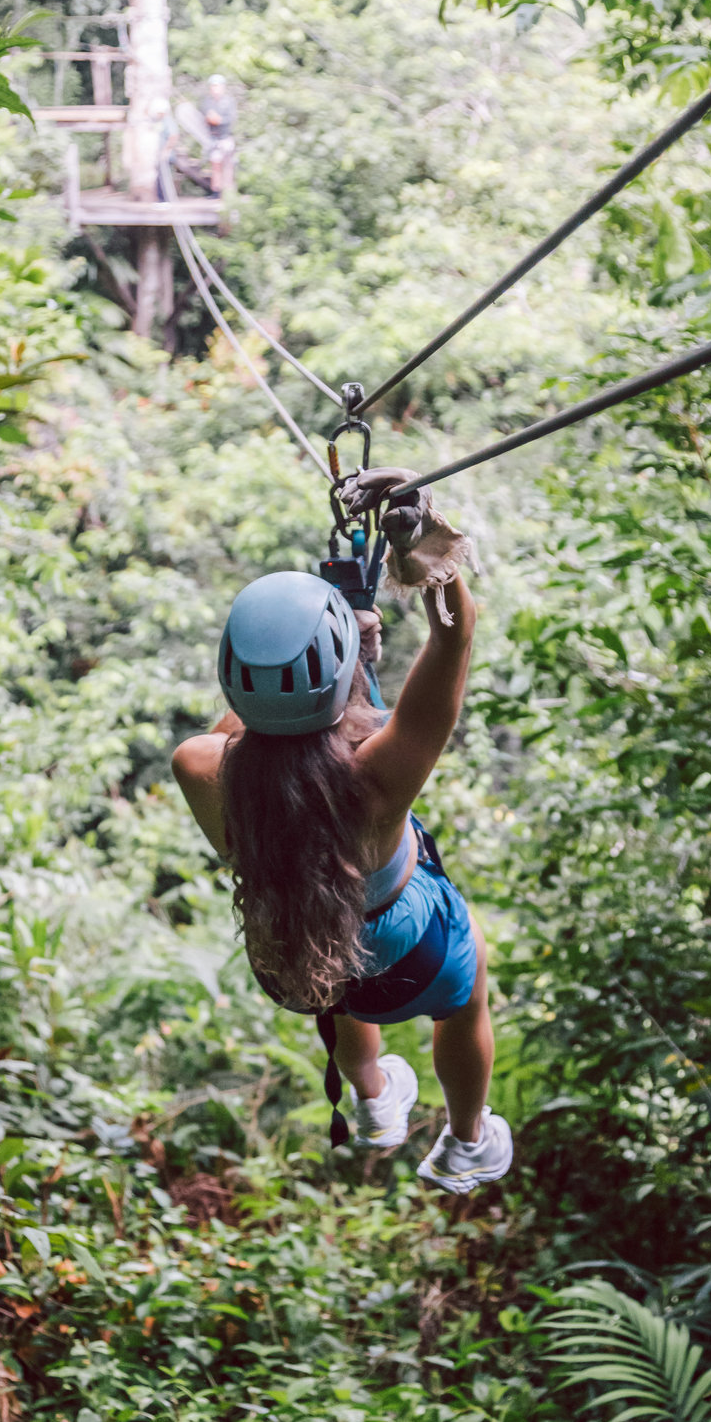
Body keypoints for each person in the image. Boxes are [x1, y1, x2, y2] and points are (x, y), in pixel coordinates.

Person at [170, 477, 511, 1193]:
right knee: (469, 981)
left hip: (292, 958)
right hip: (408, 949)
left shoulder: (200, 768)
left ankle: (371, 1101)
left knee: (338, 965)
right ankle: (467, 1141)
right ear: (334, 676)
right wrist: (426, 553)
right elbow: (454, 639)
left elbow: (251, 731)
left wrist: (343, 665)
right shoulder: (377, 777)